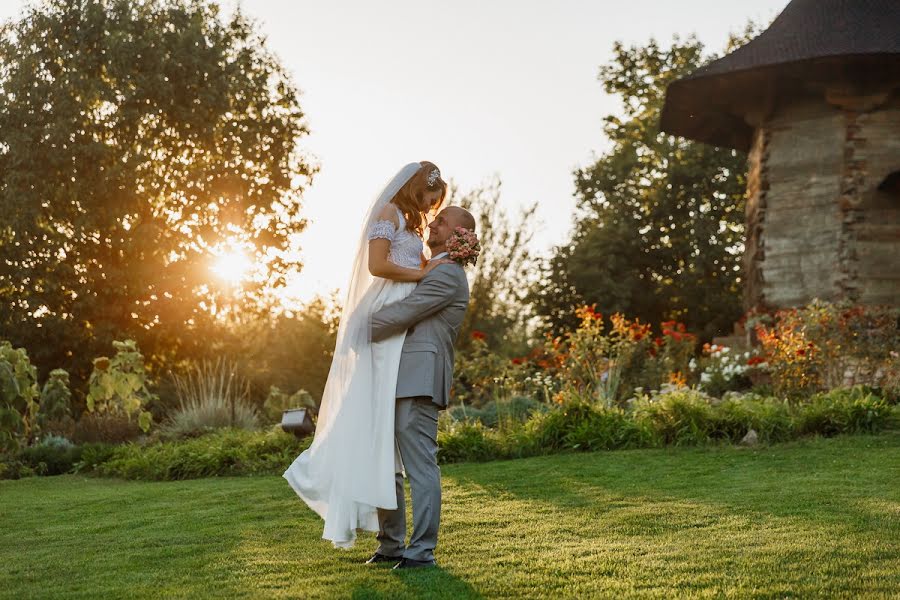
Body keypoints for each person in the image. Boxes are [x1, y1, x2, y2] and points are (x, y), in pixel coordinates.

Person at [283, 161, 451, 549]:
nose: (431, 210)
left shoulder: (411, 223)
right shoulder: (388, 213)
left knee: (384, 425)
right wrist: (423, 275)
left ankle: (390, 536)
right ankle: (325, 470)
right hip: (385, 309)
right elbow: (378, 265)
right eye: (430, 200)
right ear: (416, 188)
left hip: (404, 312)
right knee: (372, 414)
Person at [365, 206, 477, 570]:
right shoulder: (431, 269)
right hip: (396, 376)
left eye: (443, 221)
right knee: (386, 466)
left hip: (419, 378)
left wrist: (357, 327)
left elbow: (405, 313)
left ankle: (421, 551)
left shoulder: (447, 275)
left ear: (460, 233)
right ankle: (390, 545)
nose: (433, 223)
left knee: (420, 467)